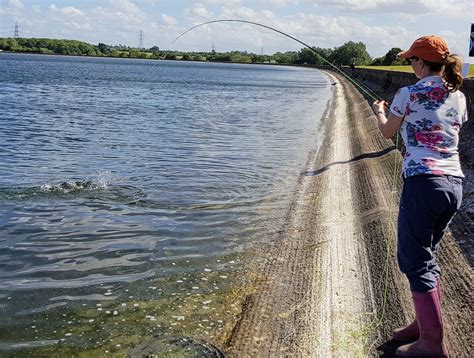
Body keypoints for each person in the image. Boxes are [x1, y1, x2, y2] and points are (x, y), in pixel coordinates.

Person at [372, 35, 468, 357]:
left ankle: (431, 345)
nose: (409, 64)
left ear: (421, 62)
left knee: (415, 260)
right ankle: (422, 325)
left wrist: (379, 112)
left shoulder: (408, 93)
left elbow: (388, 133)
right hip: (453, 186)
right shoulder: (460, 97)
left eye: (412, 59)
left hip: (424, 184)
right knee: (427, 256)